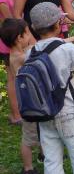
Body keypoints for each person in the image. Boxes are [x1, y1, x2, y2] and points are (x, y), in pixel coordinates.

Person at [27, 2, 74, 174]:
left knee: (51, 161)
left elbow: (50, 46)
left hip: (44, 112)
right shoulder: (66, 49)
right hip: (69, 111)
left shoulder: (31, 52)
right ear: (58, 24)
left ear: (34, 27)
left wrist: (71, 39)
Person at [0, 19, 40, 174]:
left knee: (42, 127)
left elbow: (36, 47)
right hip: (28, 103)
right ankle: (28, 168)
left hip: (33, 101)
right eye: (28, 32)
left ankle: (43, 154)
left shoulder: (20, 52)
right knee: (28, 138)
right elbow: (39, 50)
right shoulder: (18, 57)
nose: (30, 35)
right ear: (19, 38)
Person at [0, 0, 21, 124]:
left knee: (17, 76)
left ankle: (19, 111)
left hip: (16, 42)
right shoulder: (3, 0)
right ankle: (15, 115)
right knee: (12, 78)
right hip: (8, 44)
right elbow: (12, 23)